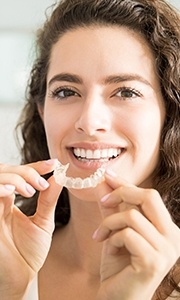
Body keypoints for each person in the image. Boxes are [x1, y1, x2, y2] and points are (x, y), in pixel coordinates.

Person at [0, 0, 179, 299]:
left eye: (126, 92)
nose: (89, 121)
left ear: (169, 113)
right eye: (67, 92)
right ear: (42, 111)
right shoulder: (8, 259)